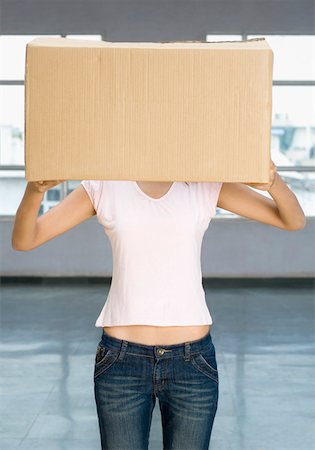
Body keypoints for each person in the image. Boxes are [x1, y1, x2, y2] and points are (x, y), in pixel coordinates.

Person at [11, 159, 306, 450]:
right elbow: (25, 240)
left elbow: (292, 220)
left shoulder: (203, 183)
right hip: (121, 361)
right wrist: (35, 191)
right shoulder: (104, 184)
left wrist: (273, 184)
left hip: (192, 362)